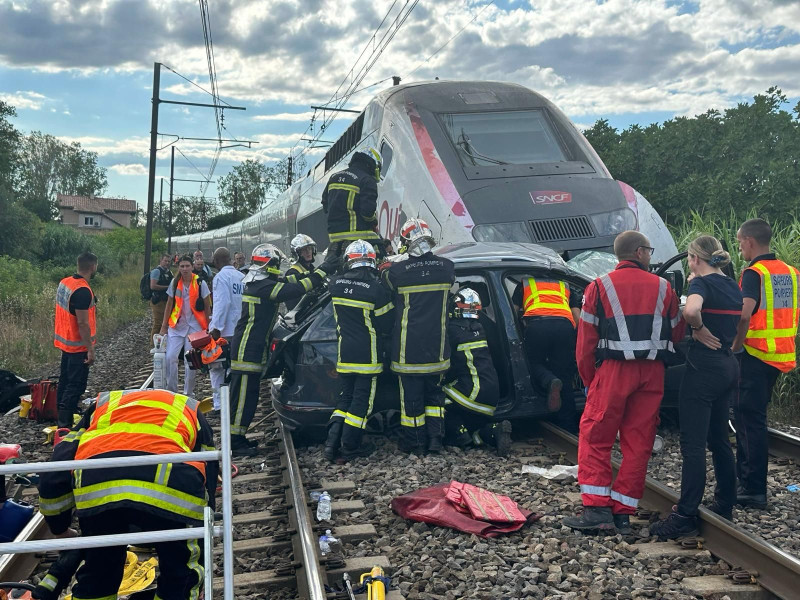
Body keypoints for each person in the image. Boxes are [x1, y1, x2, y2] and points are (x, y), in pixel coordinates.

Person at [38, 389, 218, 600]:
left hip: (99, 487)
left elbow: (55, 473)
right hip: (170, 490)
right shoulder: (190, 408)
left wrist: (60, 530)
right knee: (180, 573)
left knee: (99, 572)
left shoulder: (101, 406)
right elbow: (209, 471)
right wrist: (205, 522)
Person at [563, 231, 684, 534]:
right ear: (640, 253)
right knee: (638, 443)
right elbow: (677, 333)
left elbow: (585, 342)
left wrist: (591, 379)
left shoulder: (598, 287)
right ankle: (623, 513)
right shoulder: (664, 288)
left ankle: (596, 510)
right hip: (653, 373)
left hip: (614, 372)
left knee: (595, 438)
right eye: (649, 250)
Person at [649, 236, 742, 538]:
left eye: (689, 258)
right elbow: (742, 318)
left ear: (693, 258)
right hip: (728, 364)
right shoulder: (730, 283)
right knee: (719, 439)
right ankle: (725, 504)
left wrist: (698, 329)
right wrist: (727, 344)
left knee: (692, 444)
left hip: (703, 368)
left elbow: (691, 312)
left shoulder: (701, 284)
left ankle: (686, 514)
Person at [228, 243, 336, 456]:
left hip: (249, 347)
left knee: (247, 394)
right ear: (271, 265)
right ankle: (235, 442)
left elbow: (289, 280)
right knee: (243, 396)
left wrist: (317, 272)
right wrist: (325, 269)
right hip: (247, 350)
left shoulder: (260, 282)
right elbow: (294, 289)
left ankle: (238, 438)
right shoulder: (264, 287)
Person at [732, 218, 799, 509]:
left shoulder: (753, 273)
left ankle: (753, 488)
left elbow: (745, 314)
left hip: (756, 354)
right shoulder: (790, 272)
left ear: (749, 241)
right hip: (779, 355)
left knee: (748, 422)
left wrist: (735, 347)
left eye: (739, 242)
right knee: (754, 419)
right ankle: (746, 481)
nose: (739, 247)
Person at [383, 218, 455, 454]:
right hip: (438, 348)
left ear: (405, 242)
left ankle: (415, 443)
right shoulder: (447, 267)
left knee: (411, 402)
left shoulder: (397, 272)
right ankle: (436, 440)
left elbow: (387, 285)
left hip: (408, 350)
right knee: (435, 397)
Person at [324, 240, 394, 463]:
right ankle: (350, 446)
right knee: (361, 402)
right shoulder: (376, 289)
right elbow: (386, 323)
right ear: (372, 261)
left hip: (345, 354)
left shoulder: (335, 284)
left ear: (349, 260)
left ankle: (330, 444)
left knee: (344, 400)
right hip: (368, 356)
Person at [442, 288, 511, 456]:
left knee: (436, 398)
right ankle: (492, 431)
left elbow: (448, 366)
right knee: (475, 423)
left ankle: (459, 434)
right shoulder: (481, 327)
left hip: (473, 391)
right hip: (492, 393)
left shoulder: (452, 330)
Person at [512, 276, 582, 432]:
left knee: (532, 363)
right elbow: (577, 318)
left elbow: (512, 312)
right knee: (565, 374)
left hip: (537, 325)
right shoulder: (566, 285)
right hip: (564, 327)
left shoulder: (525, 283)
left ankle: (549, 380)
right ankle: (567, 426)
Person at [54, 251, 98, 428]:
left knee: (65, 379)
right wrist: (90, 349)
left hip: (65, 341)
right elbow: (82, 323)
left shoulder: (65, 282)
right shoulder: (83, 291)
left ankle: (62, 412)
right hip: (78, 346)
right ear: (93, 267)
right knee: (76, 384)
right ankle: (64, 424)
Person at [159, 255, 211, 397]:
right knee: (170, 357)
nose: (185, 269)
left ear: (192, 266)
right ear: (178, 268)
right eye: (182, 266)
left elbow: (207, 305)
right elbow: (169, 304)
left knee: (191, 362)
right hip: (177, 326)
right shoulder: (175, 283)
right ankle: (172, 391)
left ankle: (188, 393)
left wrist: (208, 327)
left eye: (187, 266)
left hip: (194, 327)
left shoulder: (200, 283)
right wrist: (164, 326)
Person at [321, 147, 382, 261]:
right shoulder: (367, 180)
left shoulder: (333, 177)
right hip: (358, 237)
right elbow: (367, 213)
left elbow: (325, 206)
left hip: (334, 241)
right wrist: (374, 221)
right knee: (380, 259)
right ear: (373, 164)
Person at [208, 247, 245, 411]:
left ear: (216, 262)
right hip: (241, 329)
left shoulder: (220, 278)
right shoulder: (241, 277)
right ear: (230, 259)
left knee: (216, 368)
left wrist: (216, 328)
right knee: (234, 368)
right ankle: (233, 402)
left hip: (226, 331)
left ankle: (219, 405)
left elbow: (222, 304)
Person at [284, 233, 317, 311]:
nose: (308, 252)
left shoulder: (312, 269)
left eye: (309, 248)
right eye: (304, 250)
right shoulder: (292, 273)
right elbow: (292, 304)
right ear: (297, 253)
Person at [149, 253, 173, 342]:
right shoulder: (157, 271)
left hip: (165, 301)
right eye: (165, 261)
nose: (167, 263)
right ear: (161, 261)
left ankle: (162, 342)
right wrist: (168, 288)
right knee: (158, 323)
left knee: (164, 322)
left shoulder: (169, 272)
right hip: (158, 301)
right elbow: (153, 286)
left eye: (169, 261)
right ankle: (152, 343)